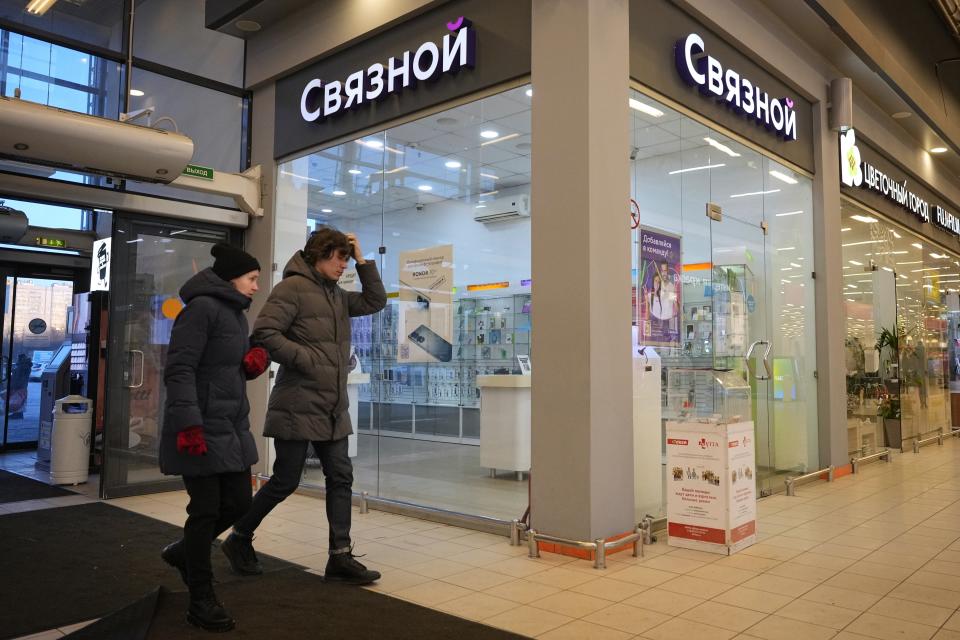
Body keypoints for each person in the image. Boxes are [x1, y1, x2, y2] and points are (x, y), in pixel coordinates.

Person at [222, 226, 386, 585]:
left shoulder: (337, 296)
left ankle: (340, 556)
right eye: (338, 258)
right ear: (319, 254)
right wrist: (306, 358)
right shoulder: (292, 288)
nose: (343, 266)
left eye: (346, 259)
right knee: (285, 480)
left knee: (341, 477)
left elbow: (376, 301)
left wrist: (362, 260)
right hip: (297, 402)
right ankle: (239, 537)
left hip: (331, 406)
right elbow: (264, 334)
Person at [158, 243, 269, 632]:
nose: (256, 286)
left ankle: (185, 554)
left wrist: (249, 365)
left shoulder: (236, 315)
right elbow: (180, 369)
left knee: (238, 504)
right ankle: (200, 598)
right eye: (252, 278)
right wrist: (188, 424)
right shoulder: (201, 310)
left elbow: (220, 369)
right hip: (201, 429)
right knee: (205, 511)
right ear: (231, 278)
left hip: (231, 428)